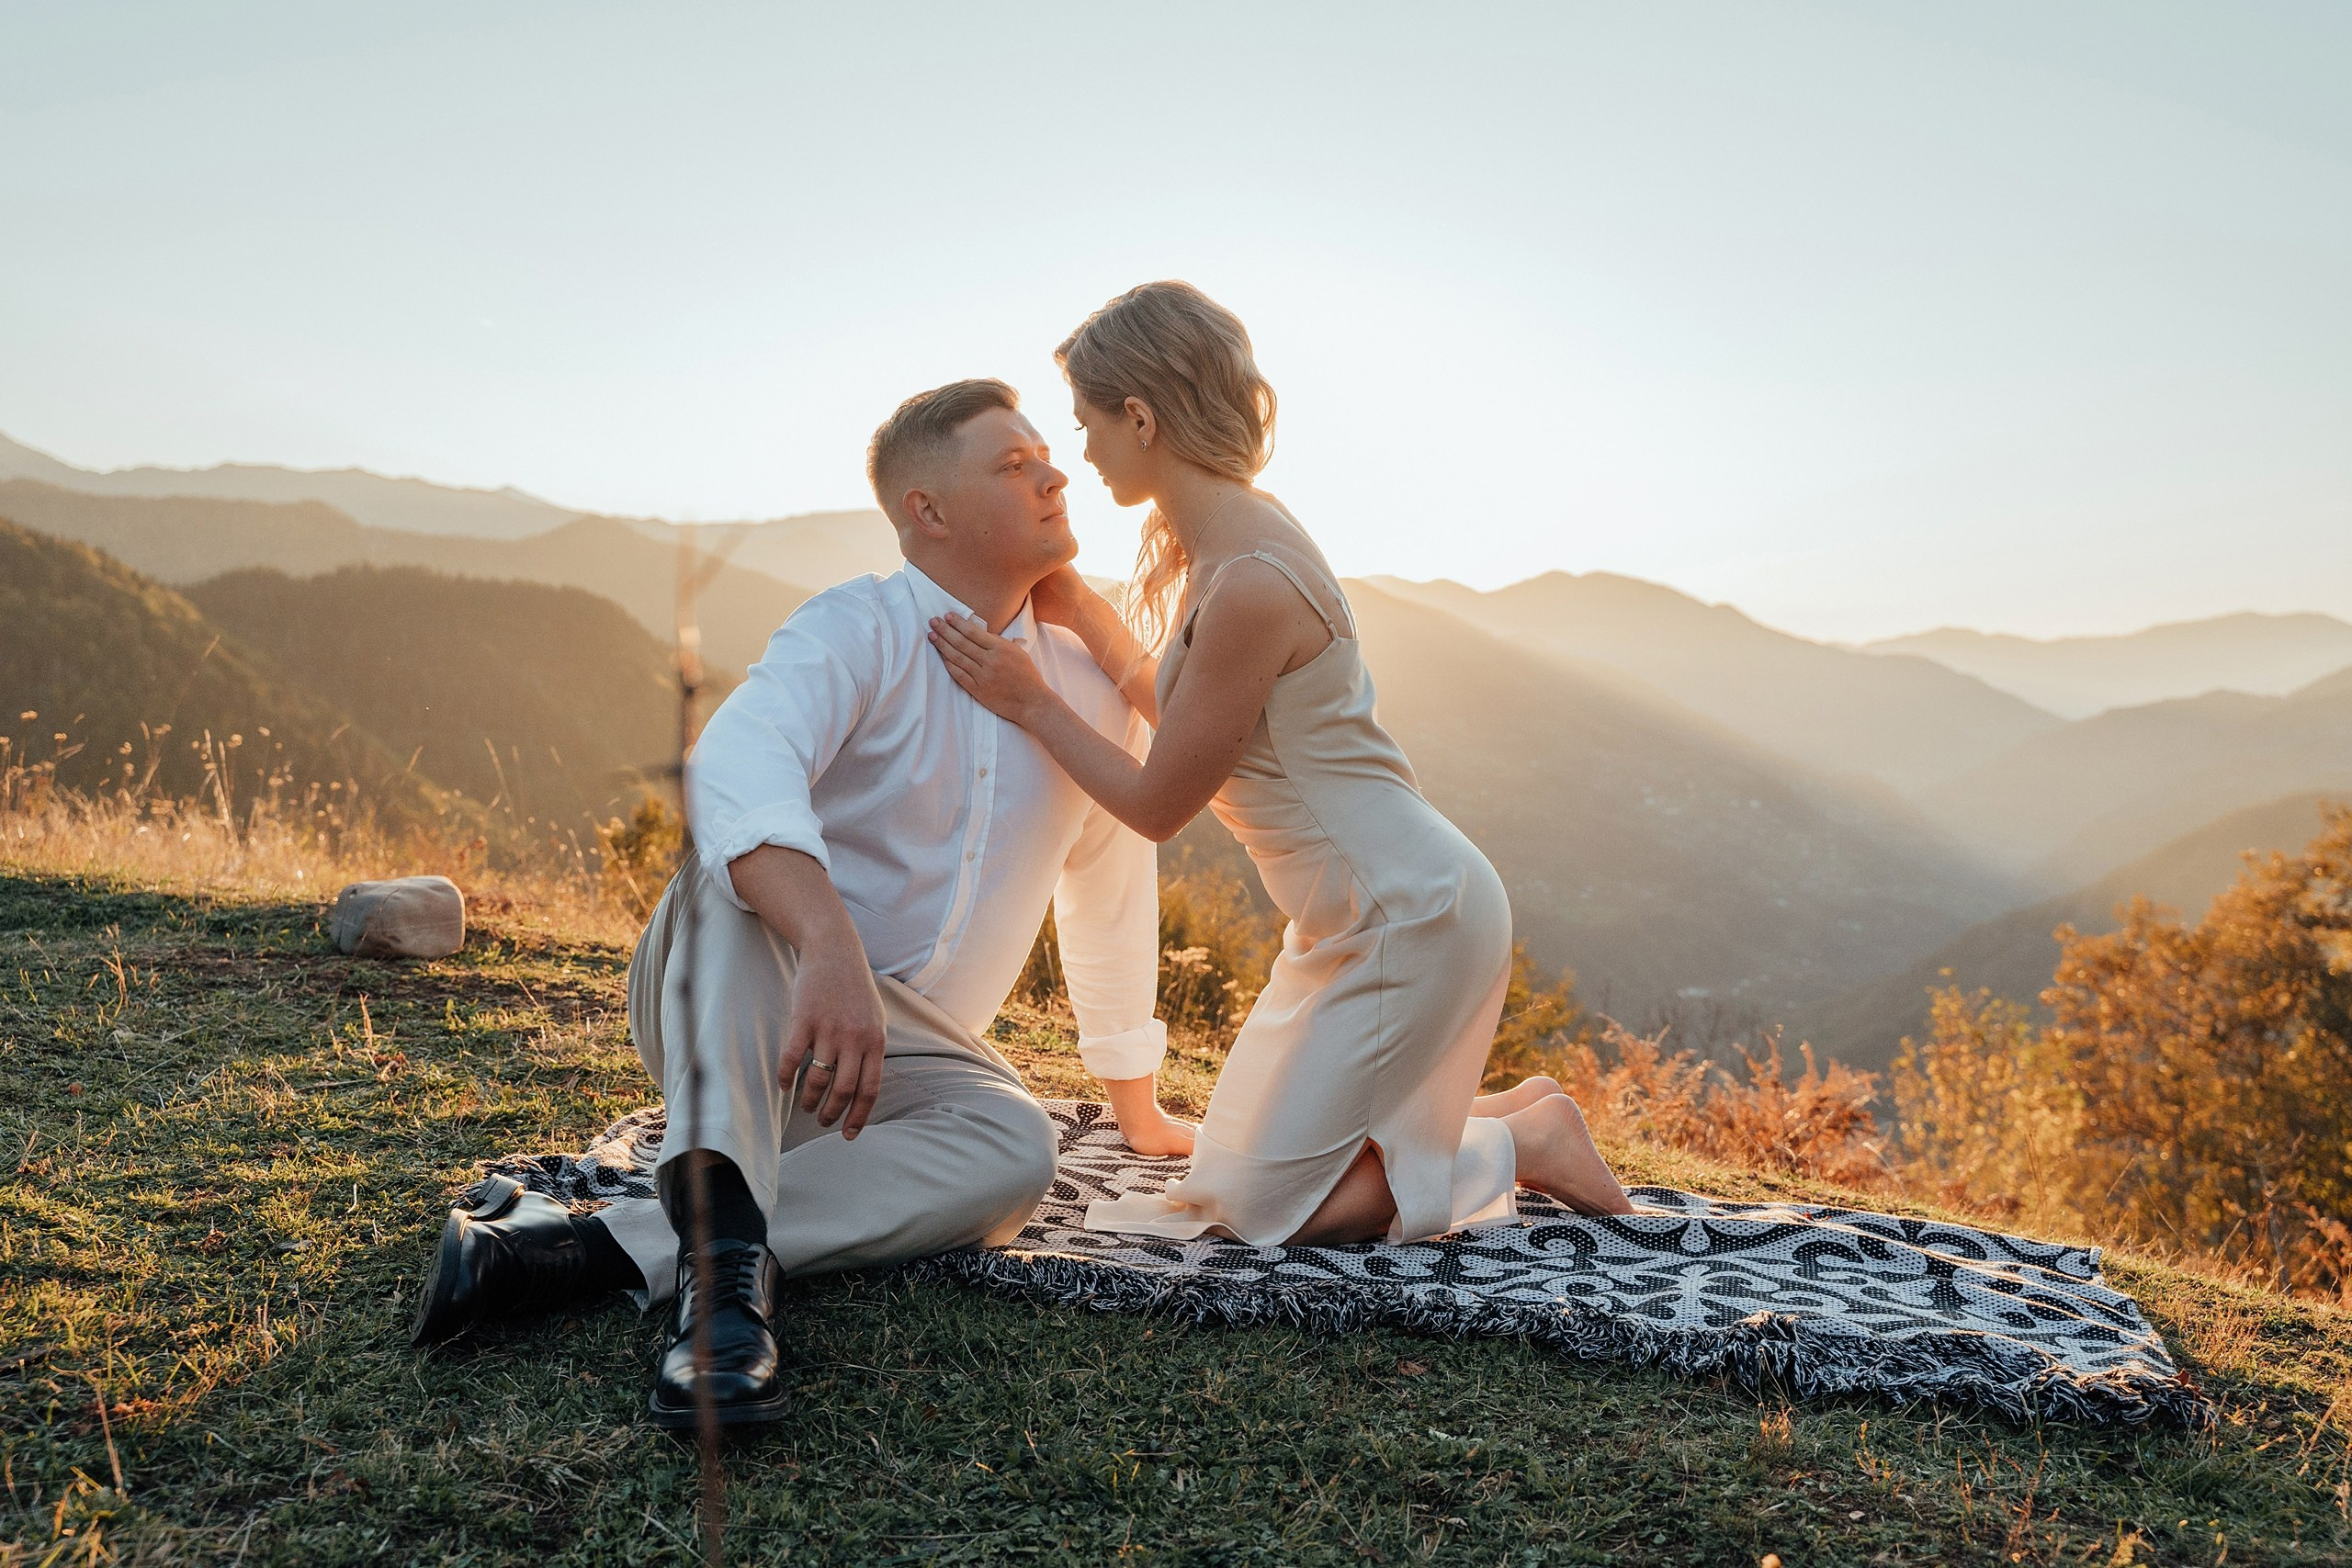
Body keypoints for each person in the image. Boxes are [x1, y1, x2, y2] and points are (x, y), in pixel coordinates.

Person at [411, 378, 1189, 1427]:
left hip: (896, 1064)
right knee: (738, 876)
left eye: (1048, 455)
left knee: (1019, 1149)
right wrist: (824, 940)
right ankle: (721, 1309)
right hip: (741, 999)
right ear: (929, 511)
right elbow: (733, 767)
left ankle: (585, 1248)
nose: (1054, 474)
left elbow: (1110, 878)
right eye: (1013, 464)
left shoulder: (1085, 688)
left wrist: (1131, 1097)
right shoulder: (854, 628)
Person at [929, 282, 1633, 1247]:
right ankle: (1502, 1114)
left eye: (1088, 422)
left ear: (1140, 417)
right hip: (1352, 917)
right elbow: (1190, 721)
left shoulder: (1253, 578)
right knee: (1219, 1180)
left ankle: (1522, 1144)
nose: (1080, 451)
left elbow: (1158, 801)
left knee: (1263, 1216)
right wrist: (1085, 616)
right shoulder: (1221, 537)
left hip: (1407, 915)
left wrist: (1029, 699)